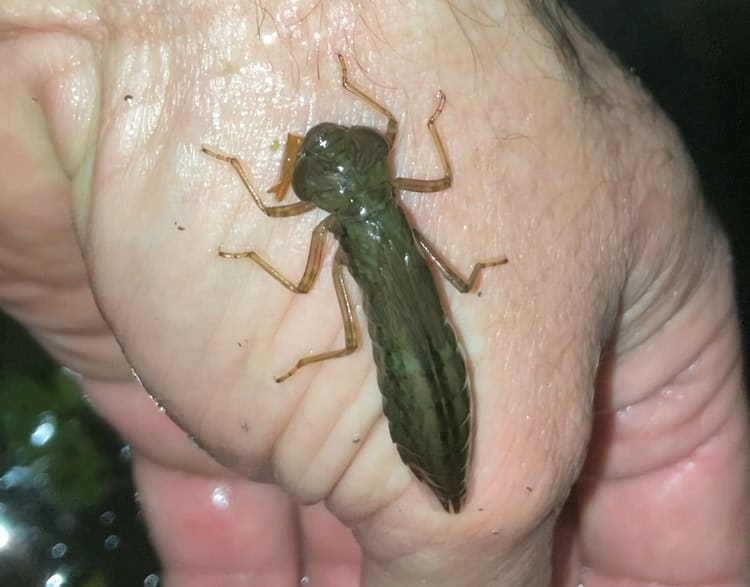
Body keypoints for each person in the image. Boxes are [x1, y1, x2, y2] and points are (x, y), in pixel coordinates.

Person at [0, 1, 747, 585]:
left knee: (371, 343)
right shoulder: (387, 177)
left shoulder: (320, 216)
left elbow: (284, 243)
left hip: (407, 333)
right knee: (402, 339)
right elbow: (403, 146)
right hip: (413, 321)